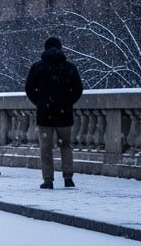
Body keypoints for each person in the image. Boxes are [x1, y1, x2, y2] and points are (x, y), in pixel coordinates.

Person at [25, 36, 84, 189]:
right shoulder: (69, 67)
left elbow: (29, 89)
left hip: (45, 114)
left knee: (46, 148)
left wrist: (40, 102)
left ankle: (48, 180)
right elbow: (78, 89)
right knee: (65, 145)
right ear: (60, 48)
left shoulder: (37, 67)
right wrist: (67, 101)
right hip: (64, 114)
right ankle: (68, 177)